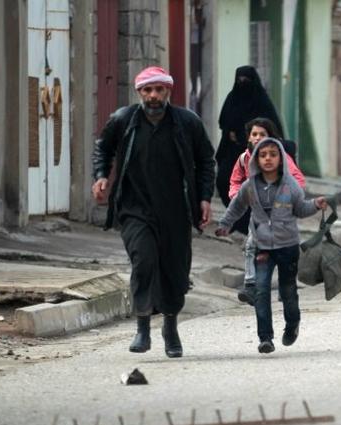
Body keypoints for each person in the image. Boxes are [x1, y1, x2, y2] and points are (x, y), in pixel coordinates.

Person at [91, 66, 215, 357]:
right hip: (134, 207)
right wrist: (100, 175)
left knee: (174, 270)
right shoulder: (123, 120)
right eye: (148, 90)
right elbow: (103, 148)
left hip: (176, 209)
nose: (154, 95)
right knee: (144, 261)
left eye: (159, 90)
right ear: (139, 93)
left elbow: (206, 160)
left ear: (168, 91)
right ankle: (143, 327)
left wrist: (205, 198)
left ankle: (170, 327)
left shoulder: (187, 122)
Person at [215, 138, 327, 354]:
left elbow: (301, 209)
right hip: (262, 246)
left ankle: (292, 324)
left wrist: (314, 204)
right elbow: (236, 207)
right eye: (263, 154)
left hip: (287, 247)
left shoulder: (290, 185)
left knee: (288, 292)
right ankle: (265, 337)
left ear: (281, 159)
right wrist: (224, 225)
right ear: (256, 159)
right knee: (261, 290)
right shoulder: (250, 186)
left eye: (273, 155)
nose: (268, 159)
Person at [228, 118, 306, 306]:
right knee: (251, 245)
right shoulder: (244, 159)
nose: (257, 138)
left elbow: (298, 179)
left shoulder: (281, 158)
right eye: (254, 134)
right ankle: (250, 286)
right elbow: (235, 181)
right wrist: (238, 196)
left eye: (262, 134)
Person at [215, 66, 284, 209]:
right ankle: (237, 216)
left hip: (257, 152)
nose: (242, 83)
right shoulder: (232, 97)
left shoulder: (262, 101)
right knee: (224, 181)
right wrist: (230, 131)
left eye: (246, 80)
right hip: (233, 151)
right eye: (239, 80)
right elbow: (223, 120)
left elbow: (271, 125)